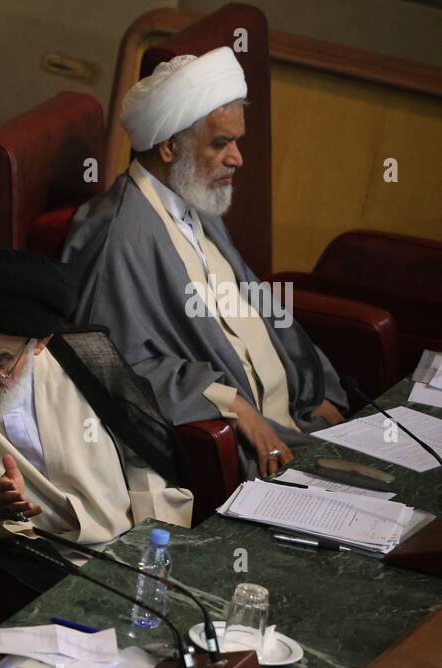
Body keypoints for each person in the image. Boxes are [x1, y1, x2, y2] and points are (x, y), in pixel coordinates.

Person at [62, 47, 348, 478]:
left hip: (295, 422)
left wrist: (312, 388)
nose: (237, 158)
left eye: (237, 141)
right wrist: (229, 403)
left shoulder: (194, 201)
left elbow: (256, 306)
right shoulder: (119, 236)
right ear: (170, 146)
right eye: (220, 143)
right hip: (249, 449)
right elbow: (105, 366)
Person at [0, 248, 194, 592]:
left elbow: (144, 460)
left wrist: (152, 554)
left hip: (126, 545)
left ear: (40, 344)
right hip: (23, 564)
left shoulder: (88, 359)